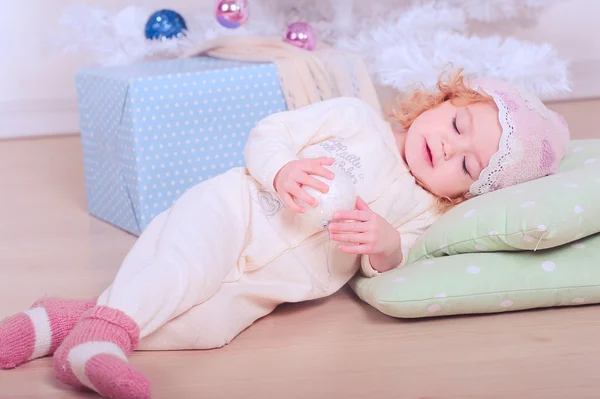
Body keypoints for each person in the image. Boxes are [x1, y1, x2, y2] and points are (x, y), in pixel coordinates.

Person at [0, 71, 570, 398]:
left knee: (206, 326)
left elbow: (394, 261)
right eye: (456, 124)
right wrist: (280, 170)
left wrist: (382, 242)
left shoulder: (423, 210)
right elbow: (270, 132)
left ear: (465, 194)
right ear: (443, 100)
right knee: (182, 271)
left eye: (467, 166)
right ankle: (96, 344)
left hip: (274, 282)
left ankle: (58, 324)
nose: (448, 147)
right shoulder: (354, 118)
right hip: (239, 210)